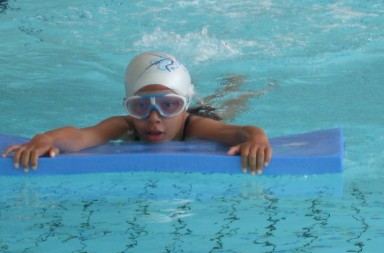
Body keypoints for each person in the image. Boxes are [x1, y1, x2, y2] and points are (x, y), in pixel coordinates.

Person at [2, 52, 272, 174]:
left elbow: (239, 132)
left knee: (225, 104)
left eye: (169, 105)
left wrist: (257, 139)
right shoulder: (127, 126)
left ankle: (237, 83)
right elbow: (82, 135)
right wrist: (45, 139)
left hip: (204, 114)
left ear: (183, 106)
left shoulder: (194, 125)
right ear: (129, 106)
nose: (154, 117)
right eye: (140, 106)